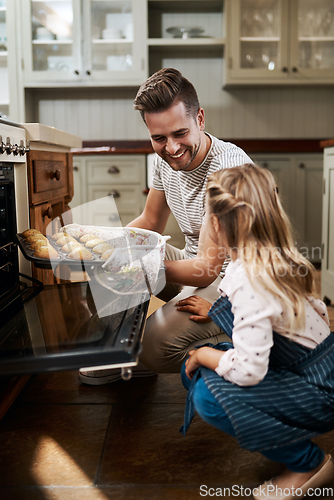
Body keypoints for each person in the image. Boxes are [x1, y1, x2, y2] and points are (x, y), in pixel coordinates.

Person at [79, 67, 252, 385]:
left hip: (236, 285)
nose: (171, 148)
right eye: (159, 138)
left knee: (156, 346)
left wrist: (140, 266)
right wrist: (104, 247)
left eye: (180, 133)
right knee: (106, 271)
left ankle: (251, 349)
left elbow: (207, 270)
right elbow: (150, 221)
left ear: (199, 119)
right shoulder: (163, 161)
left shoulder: (228, 169)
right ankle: (124, 356)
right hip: (197, 265)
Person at [179, 163, 334, 500]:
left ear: (216, 225)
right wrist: (216, 313)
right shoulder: (271, 256)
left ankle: (308, 462)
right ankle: (288, 433)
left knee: (207, 395)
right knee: (200, 368)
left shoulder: (251, 280)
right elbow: (279, 323)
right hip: (317, 370)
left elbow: (249, 370)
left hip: (320, 392)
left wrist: (204, 353)